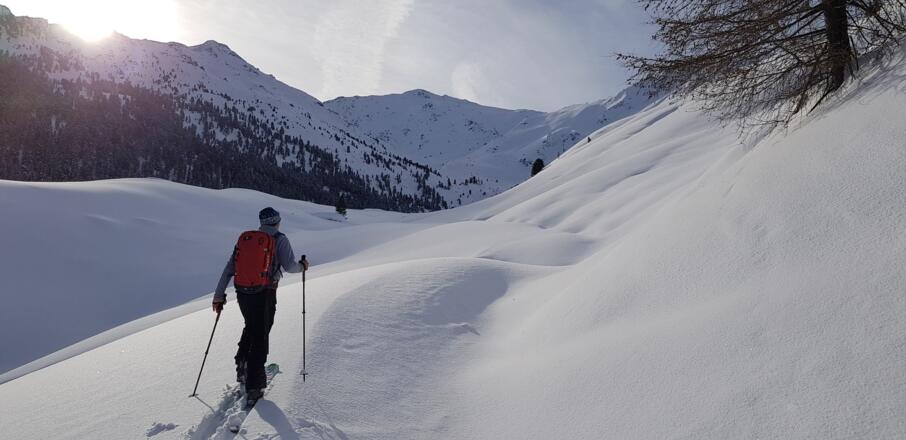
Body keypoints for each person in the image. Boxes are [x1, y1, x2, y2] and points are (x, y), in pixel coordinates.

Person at [212, 207, 308, 400]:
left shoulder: (246, 240)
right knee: (261, 334)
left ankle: (242, 365)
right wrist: (303, 266)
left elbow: (230, 267)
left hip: (242, 291)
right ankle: (255, 384)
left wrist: (218, 295)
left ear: (262, 222)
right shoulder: (280, 239)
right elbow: (290, 266)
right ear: (277, 221)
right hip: (265, 292)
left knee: (251, 326)